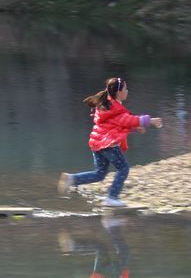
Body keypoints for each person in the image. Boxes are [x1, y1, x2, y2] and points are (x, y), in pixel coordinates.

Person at [58, 77, 162, 207]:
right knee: (123, 169)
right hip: (108, 145)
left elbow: (116, 124)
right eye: (125, 89)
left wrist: (135, 128)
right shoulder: (115, 108)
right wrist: (150, 121)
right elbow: (127, 120)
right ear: (119, 92)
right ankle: (112, 197)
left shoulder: (107, 104)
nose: (127, 91)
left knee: (100, 173)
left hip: (97, 144)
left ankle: (72, 179)